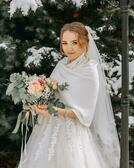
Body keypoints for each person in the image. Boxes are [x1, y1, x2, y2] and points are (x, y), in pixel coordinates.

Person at [18, 22, 120, 168]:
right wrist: (37, 100)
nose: (69, 48)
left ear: (85, 43)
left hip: (73, 133)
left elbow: (85, 114)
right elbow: (50, 93)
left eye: (74, 42)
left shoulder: (89, 70)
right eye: (65, 43)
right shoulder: (61, 64)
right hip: (49, 127)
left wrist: (55, 111)